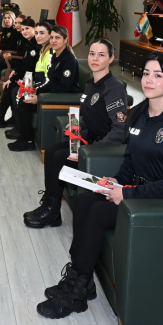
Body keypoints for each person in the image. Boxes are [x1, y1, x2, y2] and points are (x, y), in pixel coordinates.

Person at [36, 51, 163, 319]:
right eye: (146, 73)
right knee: (85, 200)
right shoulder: (139, 114)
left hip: (161, 202)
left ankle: (76, 293)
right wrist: (117, 180)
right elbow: (131, 158)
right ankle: (81, 278)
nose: (149, 80)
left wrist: (128, 193)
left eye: (158, 75)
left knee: (98, 212)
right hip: (134, 191)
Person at [24, 39, 129, 229]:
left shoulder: (114, 88)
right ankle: (51, 205)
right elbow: (90, 117)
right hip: (89, 142)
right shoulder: (91, 84)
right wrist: (77, 126)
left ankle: (51, 210)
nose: (95, 58)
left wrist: (91, 152)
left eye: (101, 55)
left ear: (111, 58)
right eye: (92, 54)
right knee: (52, 151)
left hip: (101, 150)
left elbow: (119, 131)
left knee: (59, 157)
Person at [8, 25, 80, 152]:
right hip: (52, 93)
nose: (53, 40)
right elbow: (51, 81)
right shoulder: (55, 56)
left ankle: (28, 141)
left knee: (25, 104)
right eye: (52, 37)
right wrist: (36, 91)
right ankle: (24, 137)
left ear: (65, 40)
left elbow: (64, 87)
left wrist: (40, 98)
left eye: (57, 38)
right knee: (25, 97)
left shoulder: (69, 60)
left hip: (62, 98)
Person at [0, 17, 39, 128]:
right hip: (28, 74)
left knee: (10, 85)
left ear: (34, 28)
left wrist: (13, 78)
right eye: (23, 29)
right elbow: (25, 63)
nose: (24, 31)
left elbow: (29, 67)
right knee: (10, 85)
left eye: (27, 29)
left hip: (32, 78)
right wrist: (15, 72)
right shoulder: (29, 43)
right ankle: (5, 117)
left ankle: (1, 117)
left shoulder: (34, 45)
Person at [5, 21, 53, 139]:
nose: (38, 36)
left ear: (49, 35)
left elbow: (48, 79)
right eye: (37, 33)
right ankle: (18, 126)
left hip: (42, 88)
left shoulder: (49, 53)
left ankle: (23, 135)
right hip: (36, 83)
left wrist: (34, 89)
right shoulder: (42, 49)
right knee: (15, 91)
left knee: (19, 94)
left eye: (42, 33)